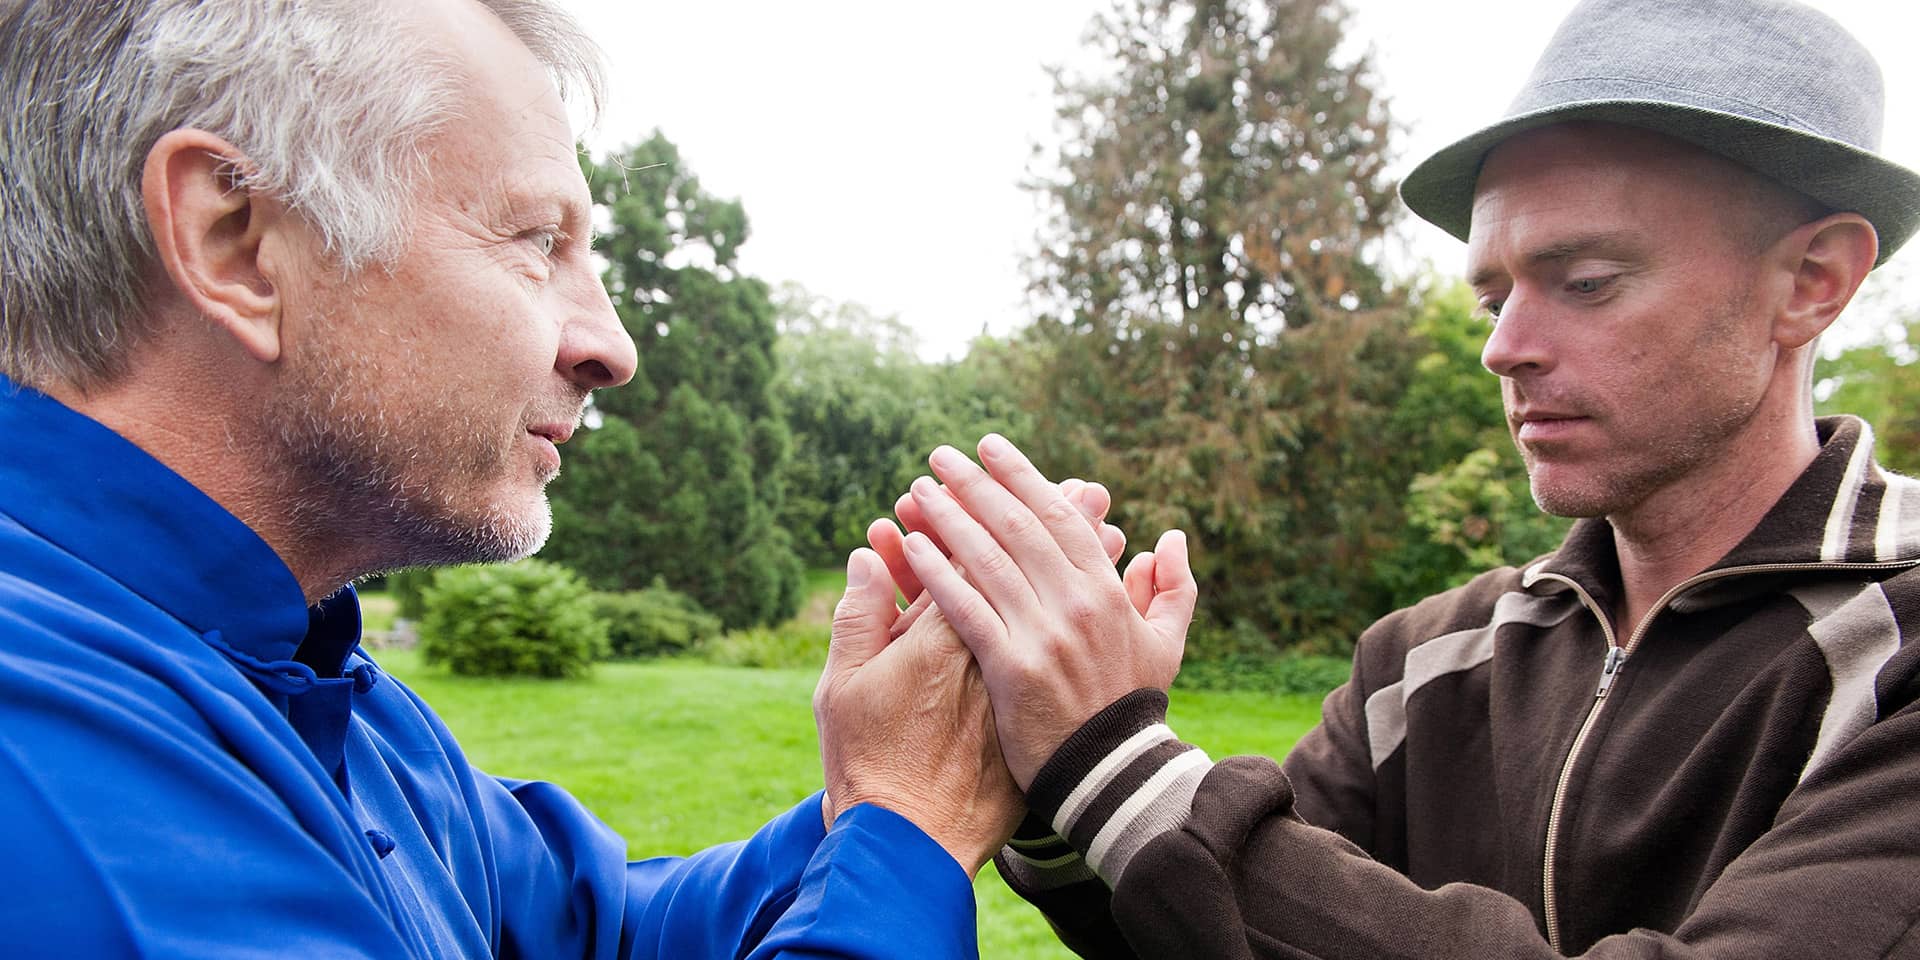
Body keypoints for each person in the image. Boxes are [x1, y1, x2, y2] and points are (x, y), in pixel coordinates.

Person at [0, 1, 1066, 955]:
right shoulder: (50, 769)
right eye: (536, 240)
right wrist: (910, 828)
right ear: (234, 242)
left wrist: (889, 784)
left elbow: (610, 930)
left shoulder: (307, 685)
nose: (611, 344)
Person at [867, 0, 1920, 956]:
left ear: (1813, 283)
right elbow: (1222, 924)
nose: (1502, 349)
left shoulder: (1897, 654)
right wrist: (1040, 759)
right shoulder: (1424, 660)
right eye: (1489, 298)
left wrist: (1110, 757)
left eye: (1586, 281)